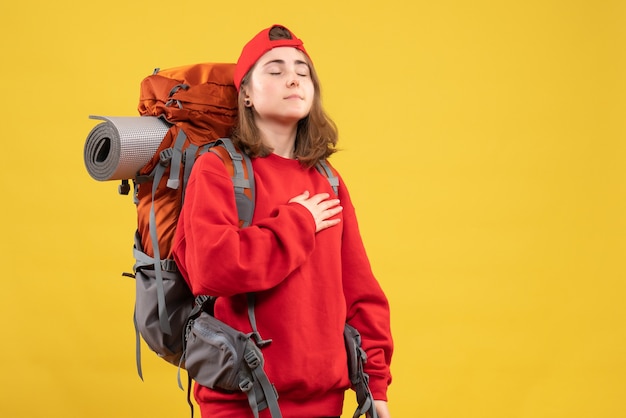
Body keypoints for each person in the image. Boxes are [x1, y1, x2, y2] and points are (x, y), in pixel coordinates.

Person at [172, 24, 393, 418]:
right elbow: (212, 267)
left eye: (302, 71)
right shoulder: (218, 169)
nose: (292, 77)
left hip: (326, 403)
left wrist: (376, 387)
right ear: (246, 94)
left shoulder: (327, 179)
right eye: (274, 70)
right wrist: (298, 222)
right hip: (240, 402)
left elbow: (360, 291)